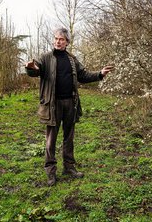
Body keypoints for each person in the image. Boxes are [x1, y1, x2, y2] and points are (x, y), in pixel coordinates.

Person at [25, 27, 113, 186]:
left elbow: (84, 75)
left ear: (67, 42)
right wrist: (30, 67)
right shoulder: (45, 58)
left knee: (69, 137)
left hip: (70, 104)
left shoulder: (72, 60)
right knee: (51, 140)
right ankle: (51, 172)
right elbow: (35, 70)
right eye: (56, 39)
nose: (58, 42)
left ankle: (69, 167)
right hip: (52, 105)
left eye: (62, 39)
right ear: (54, 40)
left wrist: (100, 74)